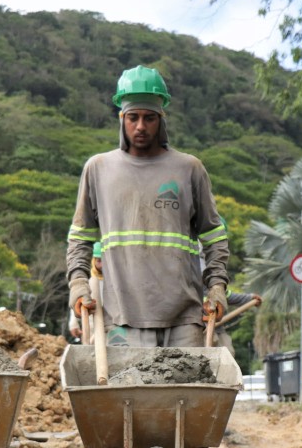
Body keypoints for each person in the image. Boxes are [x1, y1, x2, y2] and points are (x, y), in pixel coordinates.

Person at [66, 65, 229, 348]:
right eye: (133, 117)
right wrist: (78, 284)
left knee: (185, 393)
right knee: (128, 394)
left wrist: (216, 287)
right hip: (121, 319)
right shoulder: (98, 169)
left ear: (161, 119)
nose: (140, 126)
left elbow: (214, 237)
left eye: (149, 118)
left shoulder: (189, 169)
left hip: (183, 319)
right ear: (122, 118)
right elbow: (79, 239)